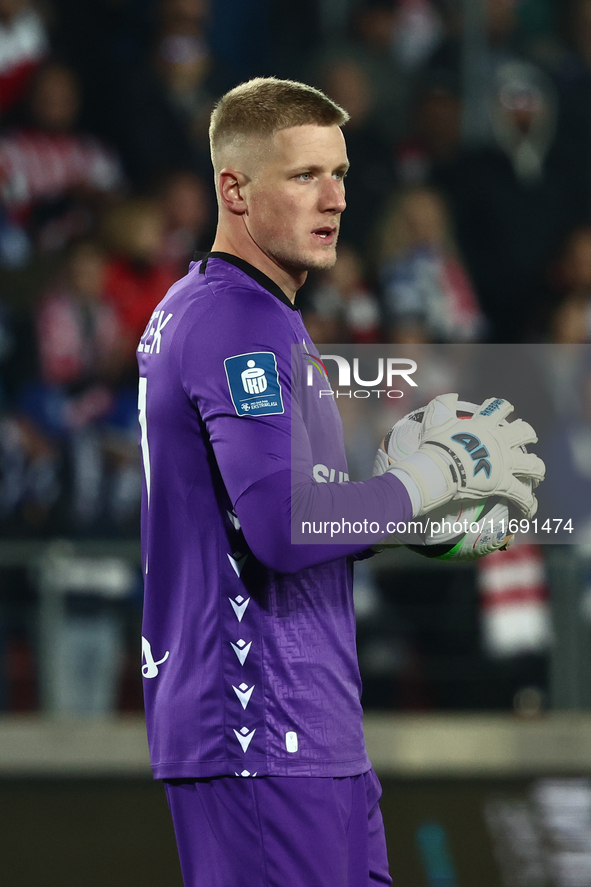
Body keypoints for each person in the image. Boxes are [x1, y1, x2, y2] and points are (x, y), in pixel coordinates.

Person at [137, 76, 544, 887]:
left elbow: (292, 516)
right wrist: (434, 476)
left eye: (341, 173)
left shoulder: (248, 313)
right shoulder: (235, 320)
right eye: (303, 175)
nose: (334, 199)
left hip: (305, 728)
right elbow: (284, 528)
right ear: (234, 188)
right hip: (261, 724)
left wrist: (408, 514)